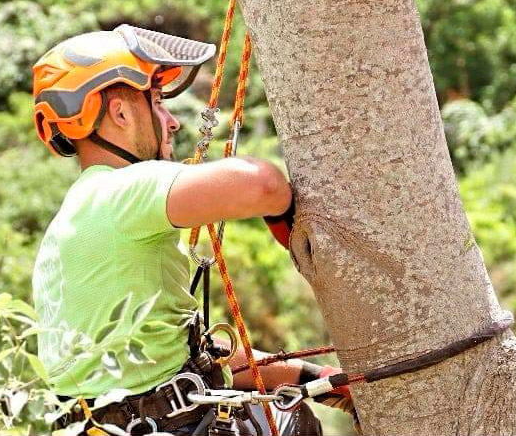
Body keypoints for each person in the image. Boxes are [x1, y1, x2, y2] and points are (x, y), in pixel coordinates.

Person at [31, 25, 352, 436]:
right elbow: (263, 184)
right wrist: (291, 224)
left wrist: (318, 380)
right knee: (289, 425)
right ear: (121, 114)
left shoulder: (69, 222)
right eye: (158, 103)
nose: (171, 122)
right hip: (158, 424)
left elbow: (190, 375)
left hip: (120, 423)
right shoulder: (120, 189)